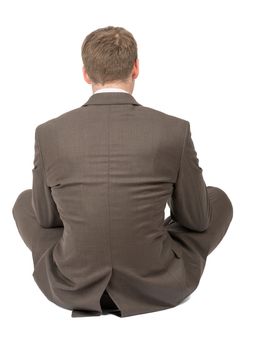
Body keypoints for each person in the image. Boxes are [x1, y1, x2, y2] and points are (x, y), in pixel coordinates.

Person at [12, 26, 233, 318]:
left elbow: (47, 219)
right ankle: (138, 245)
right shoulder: (174, 129)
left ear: (86, 74)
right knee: (217, 200)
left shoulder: (48, 133)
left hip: (72, 284)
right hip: (158, 284)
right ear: (136, 68)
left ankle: (95, 250)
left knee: (25, 203)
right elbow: (196, 219)